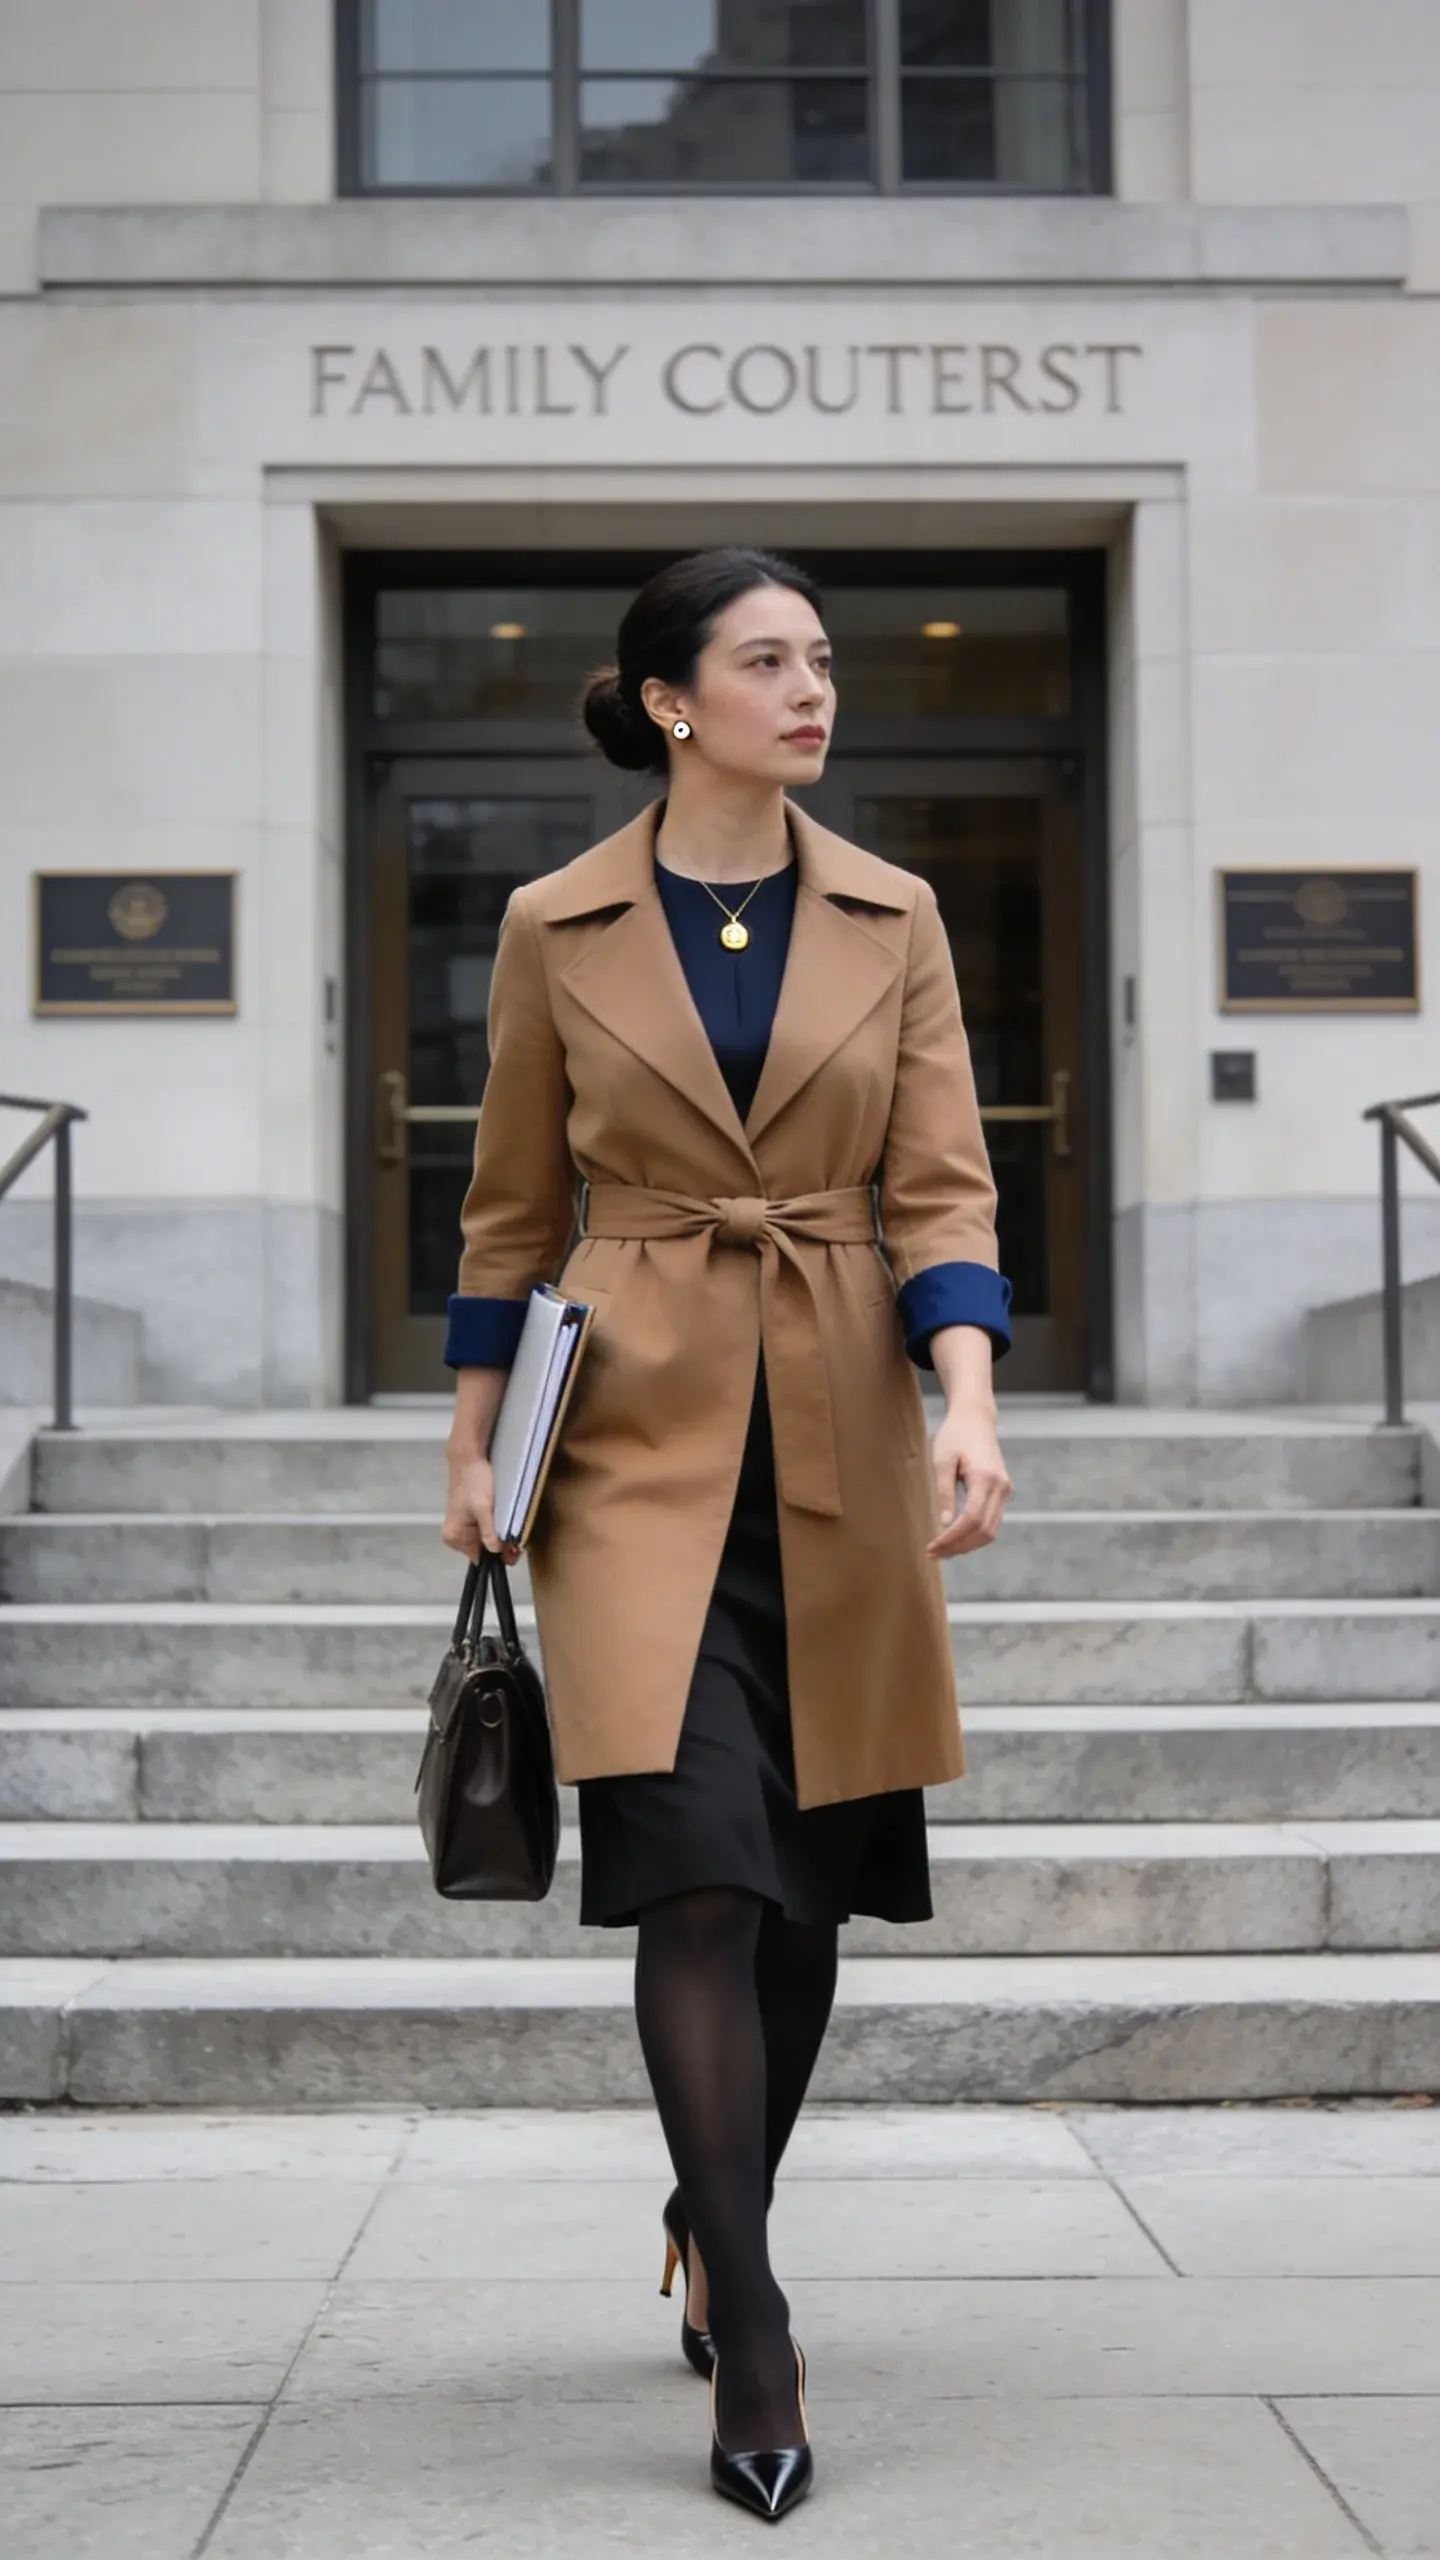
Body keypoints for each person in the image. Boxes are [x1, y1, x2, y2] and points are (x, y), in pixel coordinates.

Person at [441, 546, 1013, 2521]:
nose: (811, 685)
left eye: (823, 658)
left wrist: (970, 1397)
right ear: (673, 699)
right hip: (627, 1443)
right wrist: (473, 1441)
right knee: (690, 1874)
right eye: (766, 659)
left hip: (847, 1431)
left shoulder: (899, 912)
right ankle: (754, 2318)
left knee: (805, 1895)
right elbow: (510, 1211)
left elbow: (945, 1184)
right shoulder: (553, 922)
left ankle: (708, 2200)